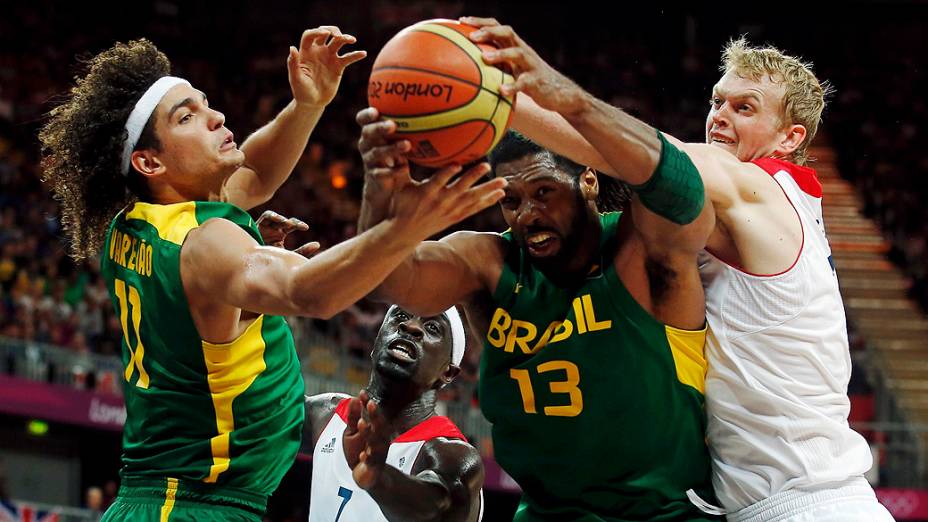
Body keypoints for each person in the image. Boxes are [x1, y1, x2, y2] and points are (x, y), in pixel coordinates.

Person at [38, 28, 505, 521]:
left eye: (205, 103)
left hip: (168, 497)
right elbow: (309, 293)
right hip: (196, 505)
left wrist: (307, 105)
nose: (216, 116)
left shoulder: (136, 225)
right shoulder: (207, 244)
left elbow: (256, 175)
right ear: (149, 160)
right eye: (187, 117)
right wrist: (404, 228)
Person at [463, 17, 894, 522]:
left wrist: (500, 96)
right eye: (717, 101)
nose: (720, 117)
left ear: (788, 137)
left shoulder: (760, 189)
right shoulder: (749, 209)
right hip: (771, 504)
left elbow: (647, 160)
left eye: (744, 107)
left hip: (808, 505)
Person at [356, 39, 720, 522]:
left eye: (544, 192)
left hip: (659, 513)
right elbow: (386, 280)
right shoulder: (490, 263)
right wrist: (380, 195)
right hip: (546, 513)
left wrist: (571, 104)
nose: (528, 215)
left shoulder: (640, 249)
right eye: (511, 200)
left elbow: (681, 191)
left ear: (588, 181)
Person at [305, 305, 483, 522]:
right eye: (400, 315)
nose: (411, 326)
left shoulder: (452, 455)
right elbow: (260, 412)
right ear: (375, 343)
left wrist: (378, 477)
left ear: (448, 372)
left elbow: (438, 508)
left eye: (433, 328)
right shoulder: (325, 413)